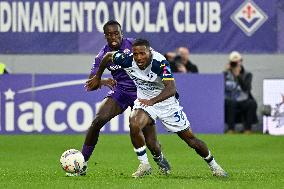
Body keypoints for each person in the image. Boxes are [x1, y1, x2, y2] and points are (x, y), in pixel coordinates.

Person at [87, 38, 228, 178]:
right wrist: (98, 77)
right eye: (135, 54)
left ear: (150, 52)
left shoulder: (160, 62)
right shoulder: (126, 59)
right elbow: (108, 56)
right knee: (134, 123)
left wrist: (152, 101)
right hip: (144, 100)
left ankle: (215, 166)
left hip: (166, 103)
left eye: (142, 54)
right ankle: (144, 165)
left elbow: (171, 88)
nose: (139, 58)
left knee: (190, 140)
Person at [73, 21, 169, 177]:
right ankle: (82, 162)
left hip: (142, 92)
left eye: (116, 33)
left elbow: (156, 59)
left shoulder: (133, 45)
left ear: (121, 33)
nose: (113, 37)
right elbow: (92, 81)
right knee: (98, 120)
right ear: (105, 36)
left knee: (152, 143)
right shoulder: (102, 54)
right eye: (109, 34)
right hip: (121, 91)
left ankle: (160, 159)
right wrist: (103, 81)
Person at [224, 51, 258, 134]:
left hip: (243, 99)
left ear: (241, 62)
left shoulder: (247, 74)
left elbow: (247, 88)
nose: (235, 64)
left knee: (252, 103)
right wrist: (226, 73)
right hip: (230, 98)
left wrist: (238, 76)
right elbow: (220, 88)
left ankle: (247, 129)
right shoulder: (225, 74)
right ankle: (231, 129)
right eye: (233, 62)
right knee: (230, 103)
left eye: (237, 62)